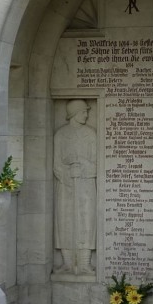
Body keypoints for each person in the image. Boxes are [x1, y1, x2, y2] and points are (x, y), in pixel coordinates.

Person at [54, 99, 97, 274]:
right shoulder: (61, 135)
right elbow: (56, 163)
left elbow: (97, 163)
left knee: (86, 220)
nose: (86, 115)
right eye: (83, 112)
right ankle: (67, 263)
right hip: (66, 186)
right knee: (65, 221)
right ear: (74, 114)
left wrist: (84, 166)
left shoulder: (90, 134)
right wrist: (67, 173)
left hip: (86, 184)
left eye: (87, 112)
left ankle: (85, 263)